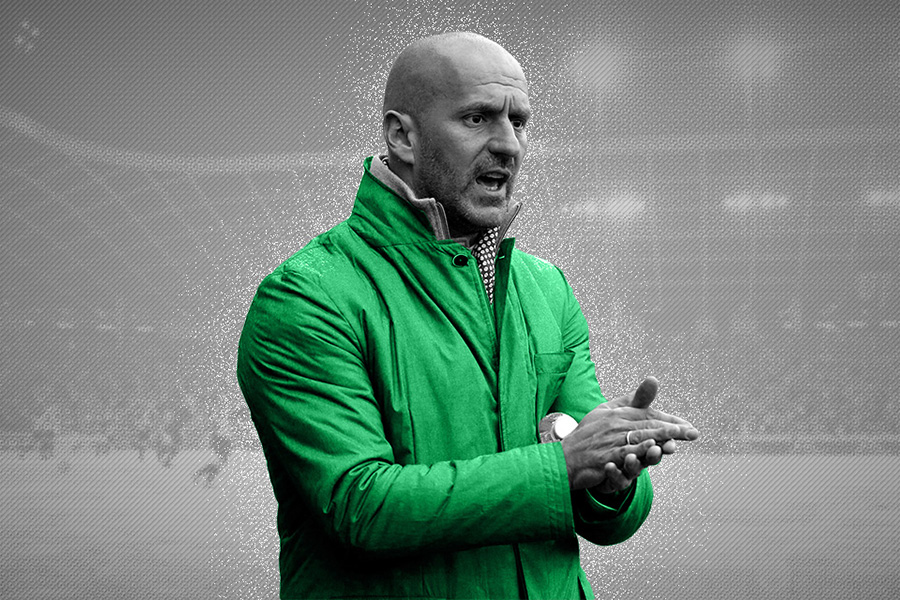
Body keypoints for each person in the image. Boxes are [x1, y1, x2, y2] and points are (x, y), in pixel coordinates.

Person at [237, 31, 699, 599]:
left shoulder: (546, 289)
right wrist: (562, 466)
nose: (509, 145)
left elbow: (608, 519)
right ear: (402, 137)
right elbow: (362, 507)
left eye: (518, 122)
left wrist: (613, 479)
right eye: (478, 118)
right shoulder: (308, 297)